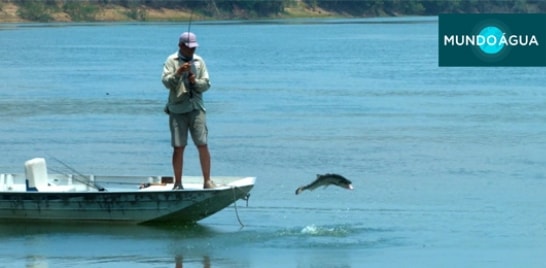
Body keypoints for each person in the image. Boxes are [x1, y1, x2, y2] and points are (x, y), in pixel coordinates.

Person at [161, 32, 215, 190]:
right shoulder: (171, 60)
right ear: (181, 46)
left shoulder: (199, 61)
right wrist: (178, 73)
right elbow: (166, 82)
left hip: (196, 107)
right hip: (177, 109)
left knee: (202, 144)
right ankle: (178, 183)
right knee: (178, 146)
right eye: (188, 47)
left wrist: (194, 81)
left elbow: (206, 84)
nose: (191, 51)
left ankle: (207, 181)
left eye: (193, 48)